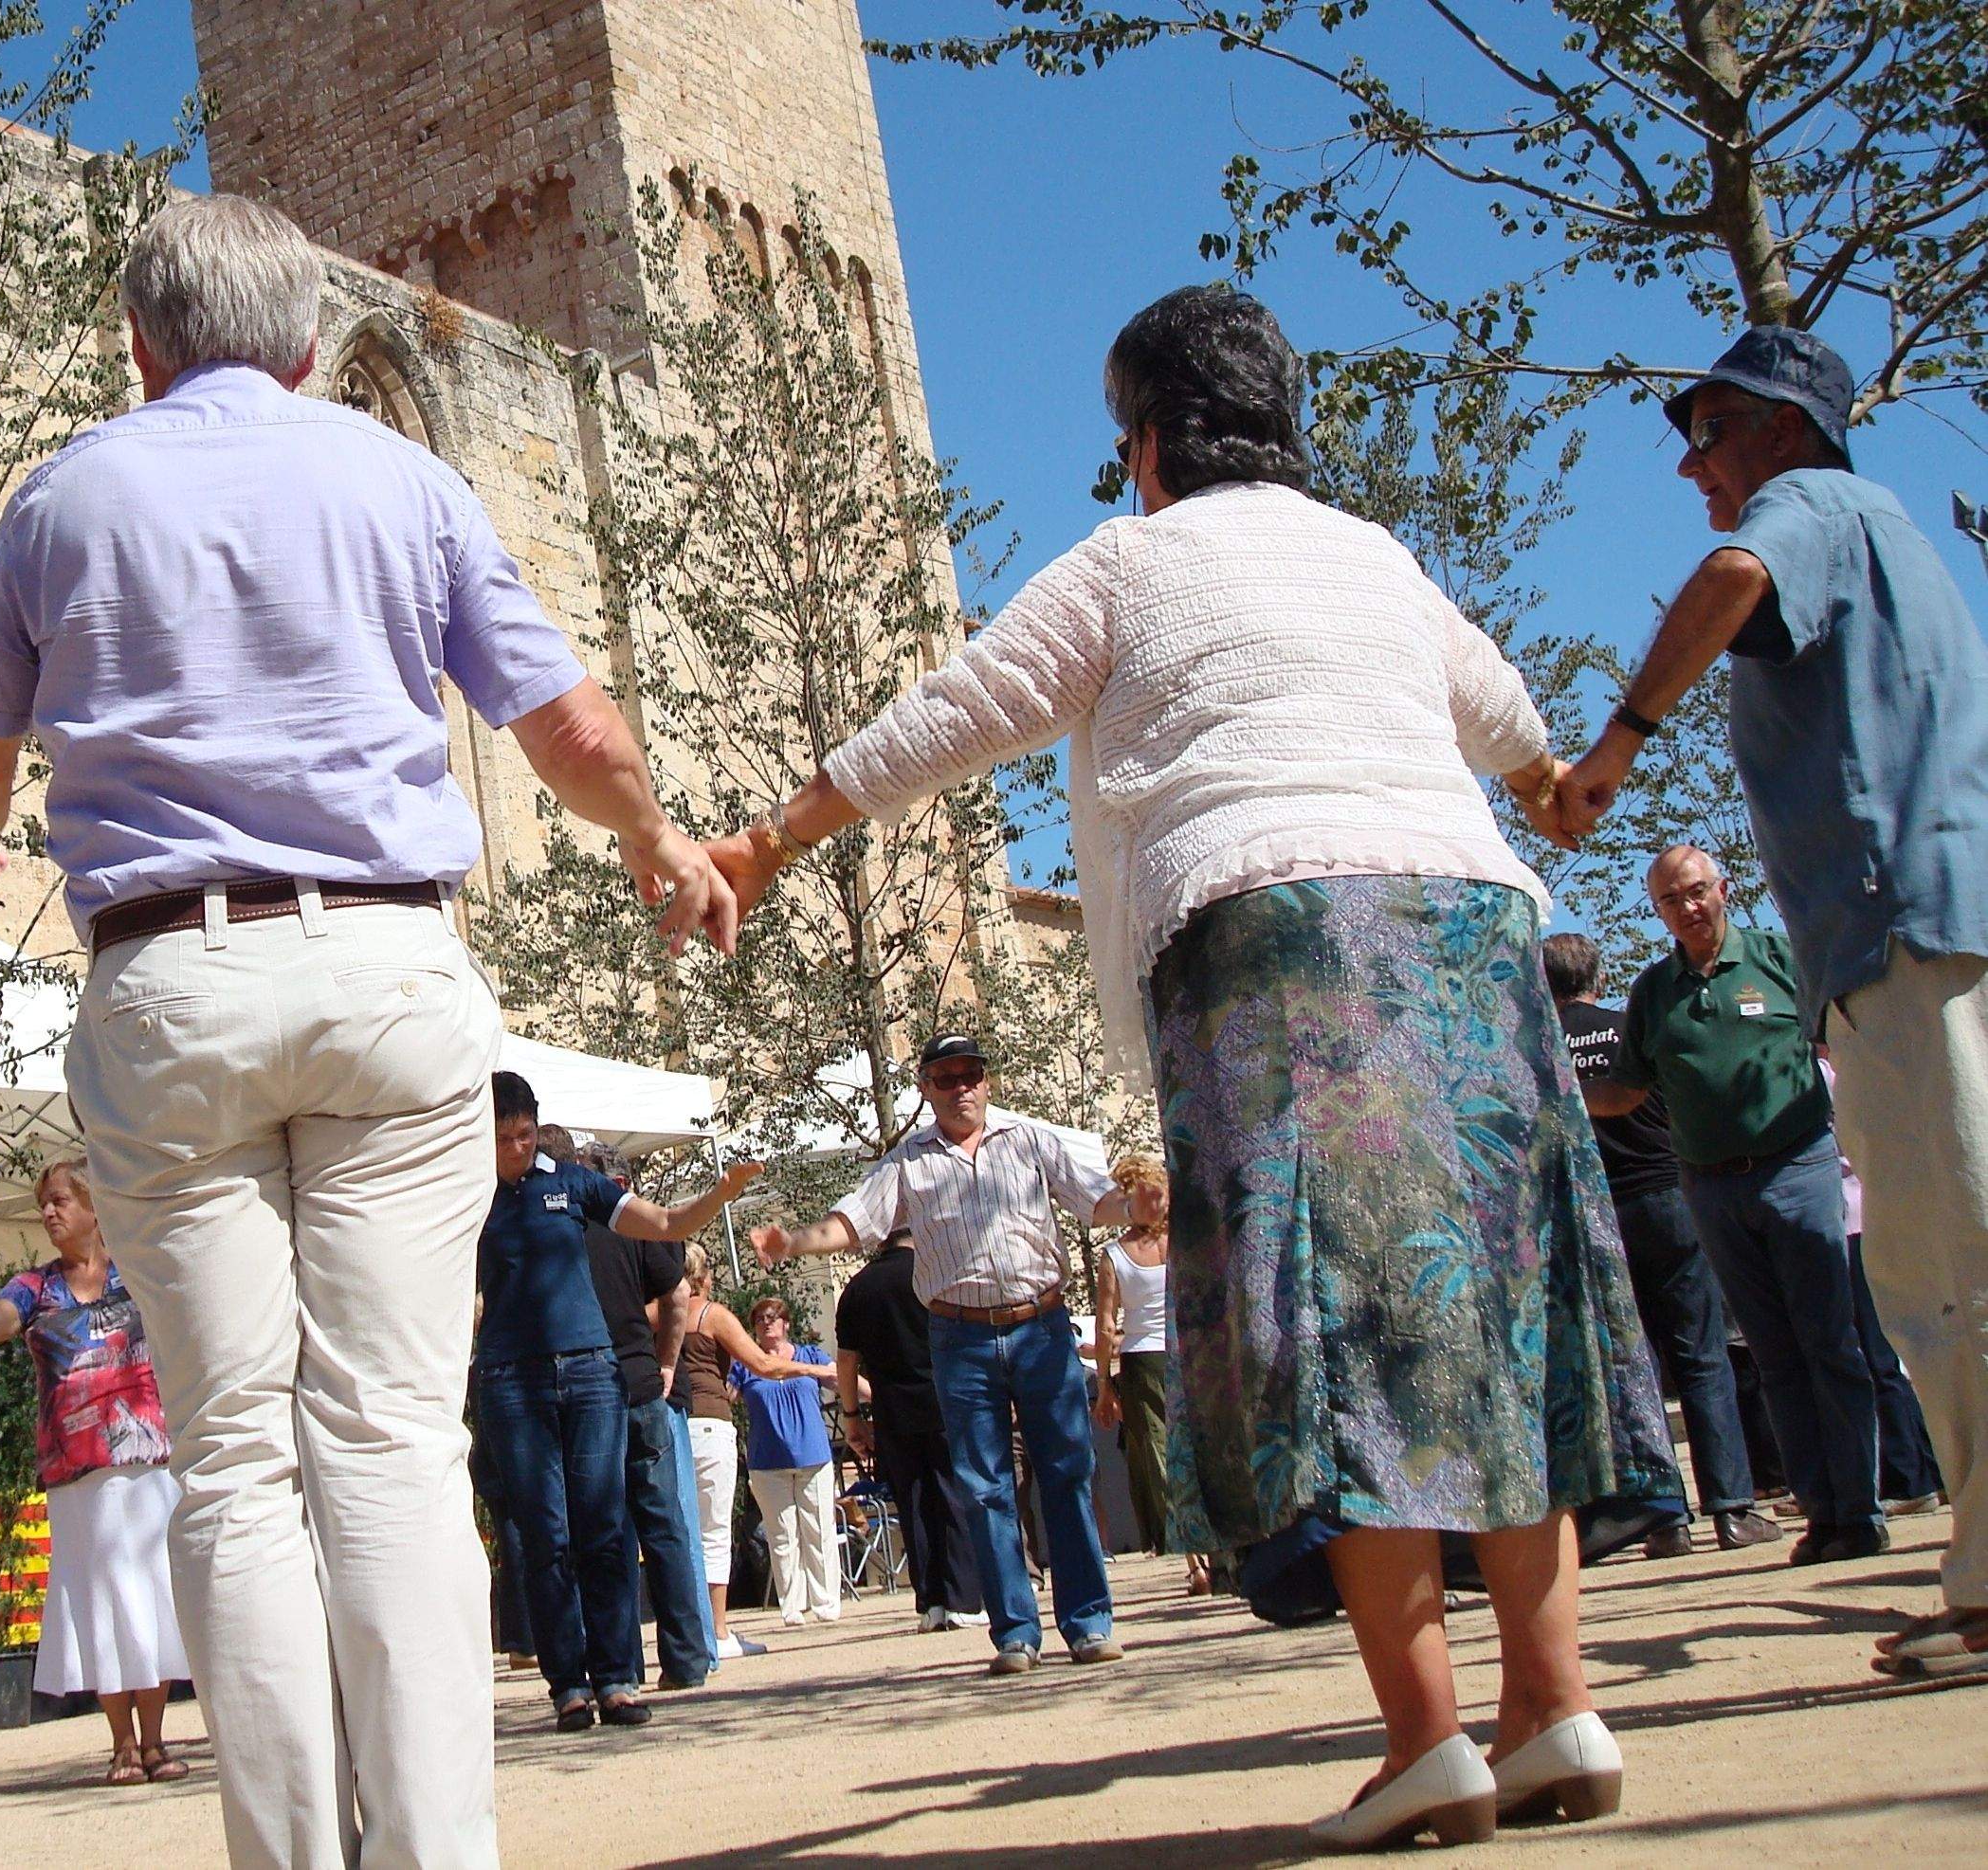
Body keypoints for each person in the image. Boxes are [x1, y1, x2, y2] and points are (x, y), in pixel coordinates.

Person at [708, 286, 1685, 1844]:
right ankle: (1552, 1700)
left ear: (1150, 441)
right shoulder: (1374, 556)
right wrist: (1559, 782)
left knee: (1337, 1322)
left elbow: (957, 712)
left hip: (1271, 935)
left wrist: (769, 837)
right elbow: (1516, 732)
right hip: (1469, 925)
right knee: (1498, 1303)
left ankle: (1426, 1735)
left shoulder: (1130, 562)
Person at [0, 191, 730, 1868]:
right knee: (396, 1448)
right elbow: (566, 726)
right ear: (302, 342)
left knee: (231, 1459)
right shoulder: (403, 479)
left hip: (168, 979)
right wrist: (656, 837)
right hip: (381, 963)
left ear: (139, 345)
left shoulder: (61, 499)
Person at [1555, 325, 1988, 1680]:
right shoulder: (1885, 530)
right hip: (1912, 927)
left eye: (1711, 434)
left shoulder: (1809, 505)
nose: (1692, 467)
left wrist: (1616, 741)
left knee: (1949, 1264)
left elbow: (1734, 575)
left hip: (1902, 926)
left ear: (1786, 429)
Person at [753, 1036, 1151, 1680]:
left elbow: (1094, 1199)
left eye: (971, 1073)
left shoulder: (1030, 1140)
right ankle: (1016, 1632)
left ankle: (1088, 1622)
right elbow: (852, 1223)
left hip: (1041, 1326)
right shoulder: (908, 1162)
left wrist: (1133, 1207)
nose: (961, 1086)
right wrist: (792, 1241)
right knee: (985, 1487)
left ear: (987, 1082)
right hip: (960, 1338)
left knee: (1066, 1471)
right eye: (946, 1077)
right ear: (927, 1088)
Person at [1585, 847, 1888, 1568]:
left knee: (1830, 1343)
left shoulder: (1782, 960)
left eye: (1696, 891)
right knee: (1771, 1354)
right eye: (1670, 900)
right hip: (1710, 1189)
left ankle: (1861, 1510)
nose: (1687, 908)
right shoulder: (1652, 993)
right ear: (1658, 912)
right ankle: (1820, 1513)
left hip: (1800, 1166)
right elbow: (1625, 1091)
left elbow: (1843, 1042)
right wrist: (1554, 1087)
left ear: (1722, 889)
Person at [473, 1077, 756, 1733]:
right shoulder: (465, 1194)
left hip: (592, 1373)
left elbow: (666, 1225)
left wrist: (720, 1193)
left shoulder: (573, 1184)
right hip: (513, 1380)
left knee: (603, 1527)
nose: (515, 1149)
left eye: (523, 1135)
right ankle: (569, 1686)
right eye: (502, 1138)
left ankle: (617, 1679)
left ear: (536, 1126)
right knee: (544, 1534)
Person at [0, 1162, 194, 1788]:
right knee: (99, 1600)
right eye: (44, 1203)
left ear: (95, 1207)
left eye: (61, 1200)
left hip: (148, 1463)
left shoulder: (138, 1269)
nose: (49, 1212)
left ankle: (155, 1741)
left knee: (150, 1595)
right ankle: (122, 1743)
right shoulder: (33, 1287)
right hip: (75, 1473)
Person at [1542, 932, 1781, 1558]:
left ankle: (1663, 1516)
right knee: (1702, 1354)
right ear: (1597, 975)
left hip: (1593, 1212)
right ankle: (1732, 1507)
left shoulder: (1537, 1045)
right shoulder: (1633, 1028)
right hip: (1668, 1197)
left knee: (1634, 1364)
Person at [568, 1136, 719, 1691]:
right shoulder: (636, 1229)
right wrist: (667, 1362)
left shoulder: (566, 1227)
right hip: (641, 1382)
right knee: (665, 1525)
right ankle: (687, 1658)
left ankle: (621, 1666)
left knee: (604, 1531)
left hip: (590, 1388)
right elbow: (678, 1296)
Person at [675, 1244, 826, 1660]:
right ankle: (717, 1631)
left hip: (671, 1424)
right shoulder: (713, 1315)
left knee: (679, 1530)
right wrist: (815, 1369)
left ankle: (687, 1631)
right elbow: (764, 1364)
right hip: (710, 1424)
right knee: (714, 1531)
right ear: (703, 1276)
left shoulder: (655, 1312)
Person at [833, 1226, 985, 1631]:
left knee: (913, 1502)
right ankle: (963, 1599)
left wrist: (852, 1416)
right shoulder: (940, 1271)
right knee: (954, 1496)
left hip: (892, 1409)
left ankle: (930, 1603)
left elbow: (846, 1361)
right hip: (946, 1399)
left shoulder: (858, 1287)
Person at [1818, 1060, 1945, 1516]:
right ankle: (1929, 1469)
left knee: (1879, 1358)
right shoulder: (1848, 1072)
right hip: (1865, 1218)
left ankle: (1909, 1478)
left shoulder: (1824, 1076)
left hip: (1853, 1222)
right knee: (1891, 1353)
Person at [1091, 1155, 1209, 1592]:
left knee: (1165, 1456)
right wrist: (1106, 1384)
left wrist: (1105, 1385)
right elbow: (1105, 1327)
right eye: (1147, 1197)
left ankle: (1200, 1557)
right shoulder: (1185, 1241)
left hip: (1151, 1360)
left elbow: (1107, 1325)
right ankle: (1202, 1556)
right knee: (1189, 1451)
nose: (1155, 1204)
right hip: (1173, 1356)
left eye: (1158, 1196)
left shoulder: (1116, 1256)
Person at [734, 1298, 840, 1625]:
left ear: (786, 1323)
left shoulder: (811, 1356)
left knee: (819, 1530)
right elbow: (723, 1395)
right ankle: (792, 1607)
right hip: (767, 1461)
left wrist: (877, 1396)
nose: (766, 1324)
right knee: (781, 1536)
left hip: (814, 1456)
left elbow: (843, 1380)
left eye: (772, 1318)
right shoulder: (745, 1364)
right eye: (760, 1320)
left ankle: (826, 1603)